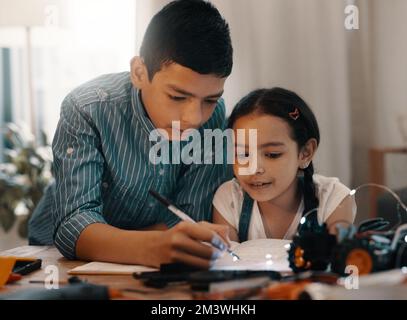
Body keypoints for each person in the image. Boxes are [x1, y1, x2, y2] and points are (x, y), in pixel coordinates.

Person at [29, 0, 234, 268]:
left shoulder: (215, 116)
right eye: (177, 96)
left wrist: (116, 241)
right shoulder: (87, 108)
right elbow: (73, 226)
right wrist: (150, 246)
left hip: (154, 257)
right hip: (54, 256)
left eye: (209, 100)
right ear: (139, 72)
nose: (194, 118)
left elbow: (188, 216)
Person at [213, 87, 356, 242]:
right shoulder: (230, 199)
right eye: (242, 155)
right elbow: (227, 260)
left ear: (305, 152)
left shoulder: (333, 199)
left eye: (272, 155)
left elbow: (336, 258)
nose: (254, 168)